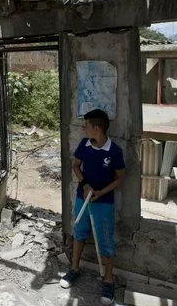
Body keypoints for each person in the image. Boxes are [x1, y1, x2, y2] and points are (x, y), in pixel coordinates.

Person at [59, 109, 126, 305]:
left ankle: (108, 278)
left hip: (103, 203)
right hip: (83, 198)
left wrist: (100, 192)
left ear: (96, 128)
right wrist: (85, 184)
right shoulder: (84, 145)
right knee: (79, 232)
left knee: (105, 239)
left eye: (86, 125)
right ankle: (74, 269)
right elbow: (76, 167)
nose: (83, 128)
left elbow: (121, 178)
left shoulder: (114, 151)